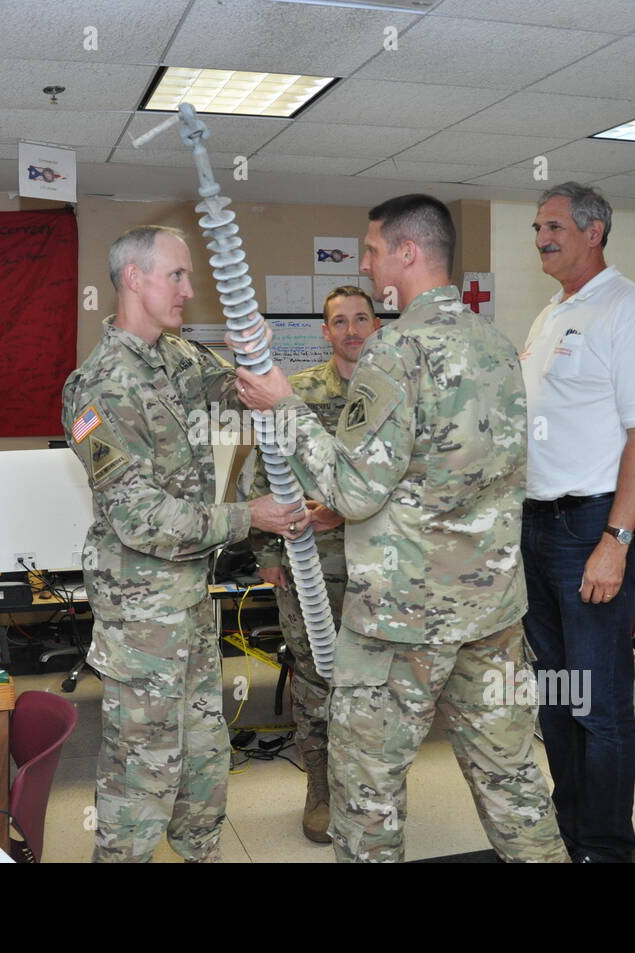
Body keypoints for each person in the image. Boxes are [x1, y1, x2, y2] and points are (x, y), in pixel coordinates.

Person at [237, 194, 567, 863]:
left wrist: (286, 406)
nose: (364, 262)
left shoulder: (397, 350)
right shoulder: (498, 347)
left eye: (373, 250)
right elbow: (469, 472)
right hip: (492, 611)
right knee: (513, 781)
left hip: (403, 620)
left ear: (408, 253)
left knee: (367, 796)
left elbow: (354, 489)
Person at [62, 225, 308, 863]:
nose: (189, 290)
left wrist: (256, 356)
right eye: (177, 275)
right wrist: (247, 515)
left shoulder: (175, 357)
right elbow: (141, 519)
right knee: (141, 779)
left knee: (204, 765)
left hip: (192, 605)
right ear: (135, 278)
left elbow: (237, 397)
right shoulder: (99, 388)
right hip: (142, 619)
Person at [520, 182, 635, 864]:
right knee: (555, 696)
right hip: (538, 525)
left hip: (593, 526)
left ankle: (605, 847)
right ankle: (569, 831)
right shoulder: (551, 314)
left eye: (553, 226)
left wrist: (617, 540)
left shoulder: (627, 307)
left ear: (594, 231)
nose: (542, 236)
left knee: (597, 703)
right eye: (538, 227)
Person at [248, 284, 380, 843]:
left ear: (377, 327)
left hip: (384, 566)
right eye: (340, 321)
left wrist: (344, 511)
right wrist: (266, 553)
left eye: (361, 318)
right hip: (309, 566)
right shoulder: (293, 396)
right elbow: (263, 473)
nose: (352, 329)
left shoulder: (395, 396)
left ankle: (369, 789)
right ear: (325, 332)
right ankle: (322, 787)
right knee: (316, 679)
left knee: (376, 683)